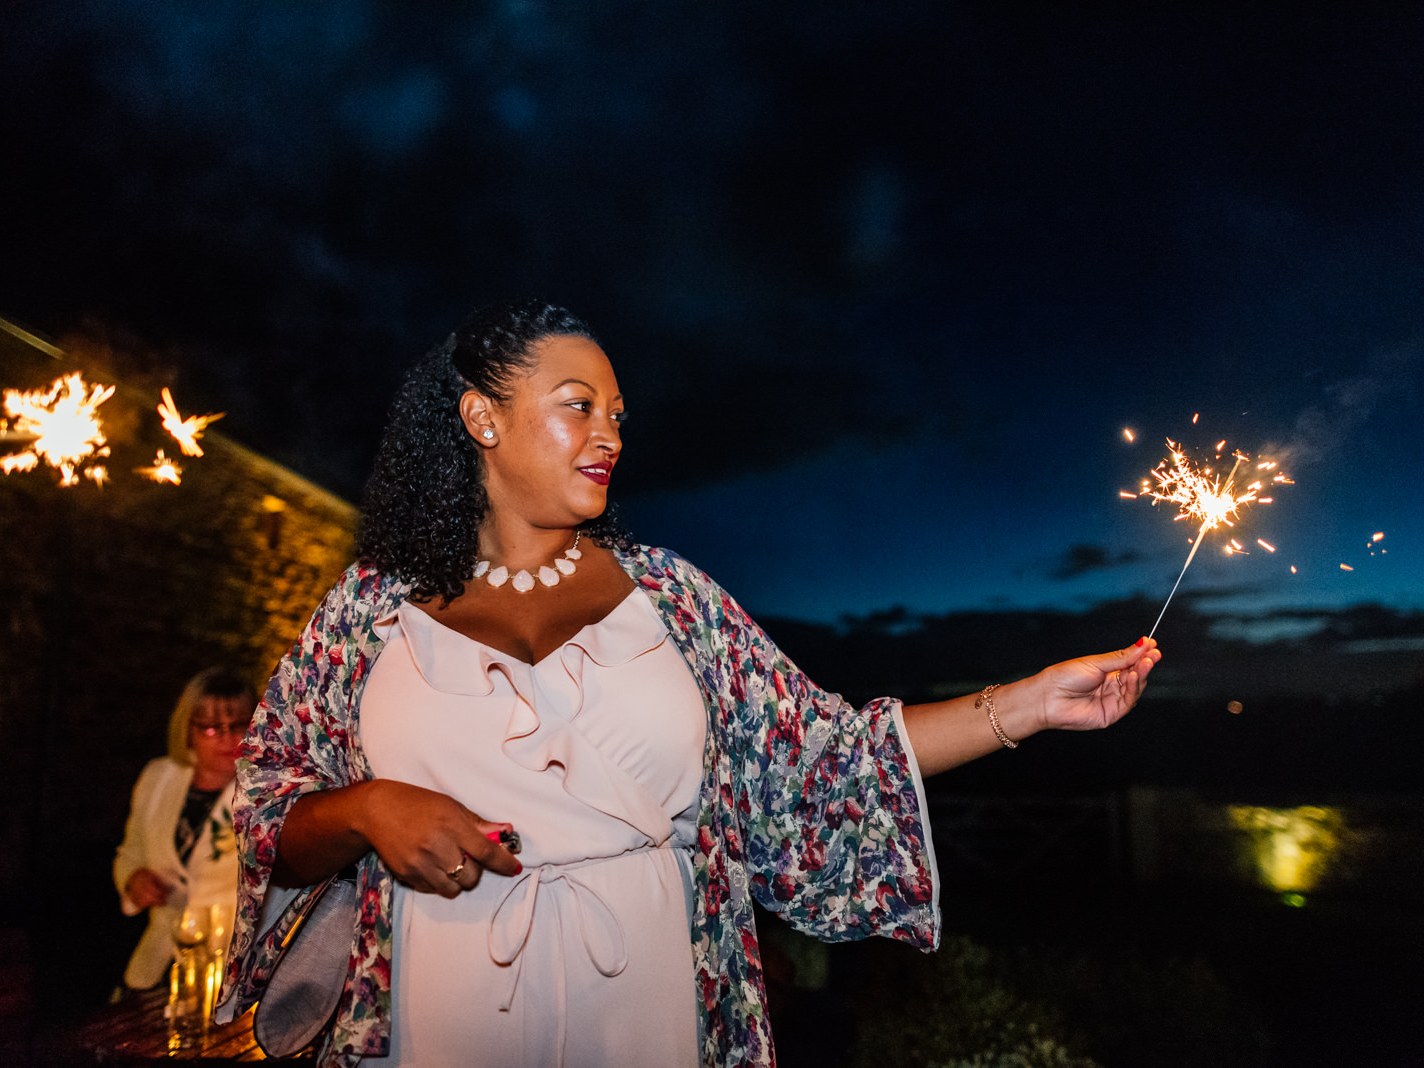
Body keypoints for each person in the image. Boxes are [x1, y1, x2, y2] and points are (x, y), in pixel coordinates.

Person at [218, 301, 1161, 1067]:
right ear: (482, 418)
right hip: (436, 1010)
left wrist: (1033, 703)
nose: (609, 435)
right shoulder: (369, 609)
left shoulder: (674, 600)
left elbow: (829, 759)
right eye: (579, 406)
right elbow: (268, 809)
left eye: (618, 415)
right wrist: (368, 810)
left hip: (648, 1004)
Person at [113, 667, 255, 991]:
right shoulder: (160, 777)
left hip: (228, 971)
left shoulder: (267, 791)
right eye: (212, 728)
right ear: (188, 728)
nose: (228, 738)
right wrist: (134, 880)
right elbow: (130, 852)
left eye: (238, 726)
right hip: (157, 963)